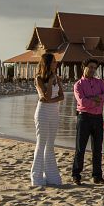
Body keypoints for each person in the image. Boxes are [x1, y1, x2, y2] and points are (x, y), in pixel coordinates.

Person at [72, 58, 104, 185]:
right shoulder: (78, 84)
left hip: (98, 118)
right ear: (84, 67)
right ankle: (76, 175)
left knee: (97, 149)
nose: (93, 70)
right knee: (80, 148)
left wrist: (96, 98)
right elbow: (82, 102)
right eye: (91, 67)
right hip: (84, 118)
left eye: (95, 68)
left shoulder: (100, 82)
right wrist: (97, 101)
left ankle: (97, 176)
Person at [30, 53, 63, 187]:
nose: (56, 64)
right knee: (41, 143)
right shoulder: (38, 79)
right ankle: (36, 177)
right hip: (42, 112)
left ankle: (51, 176)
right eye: (54, 62)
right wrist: (49, 82)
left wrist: (51, 100)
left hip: (54, 112)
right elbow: (46, 95)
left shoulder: (57, 77)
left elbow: (61, 96)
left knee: (50, 145)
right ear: (47, 64)